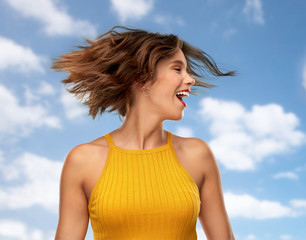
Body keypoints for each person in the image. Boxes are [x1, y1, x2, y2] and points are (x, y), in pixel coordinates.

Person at [53, 26, 236, 240]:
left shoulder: (197, 155)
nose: (190, 79)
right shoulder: (83, 160)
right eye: (178, 69)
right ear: (142, 79)